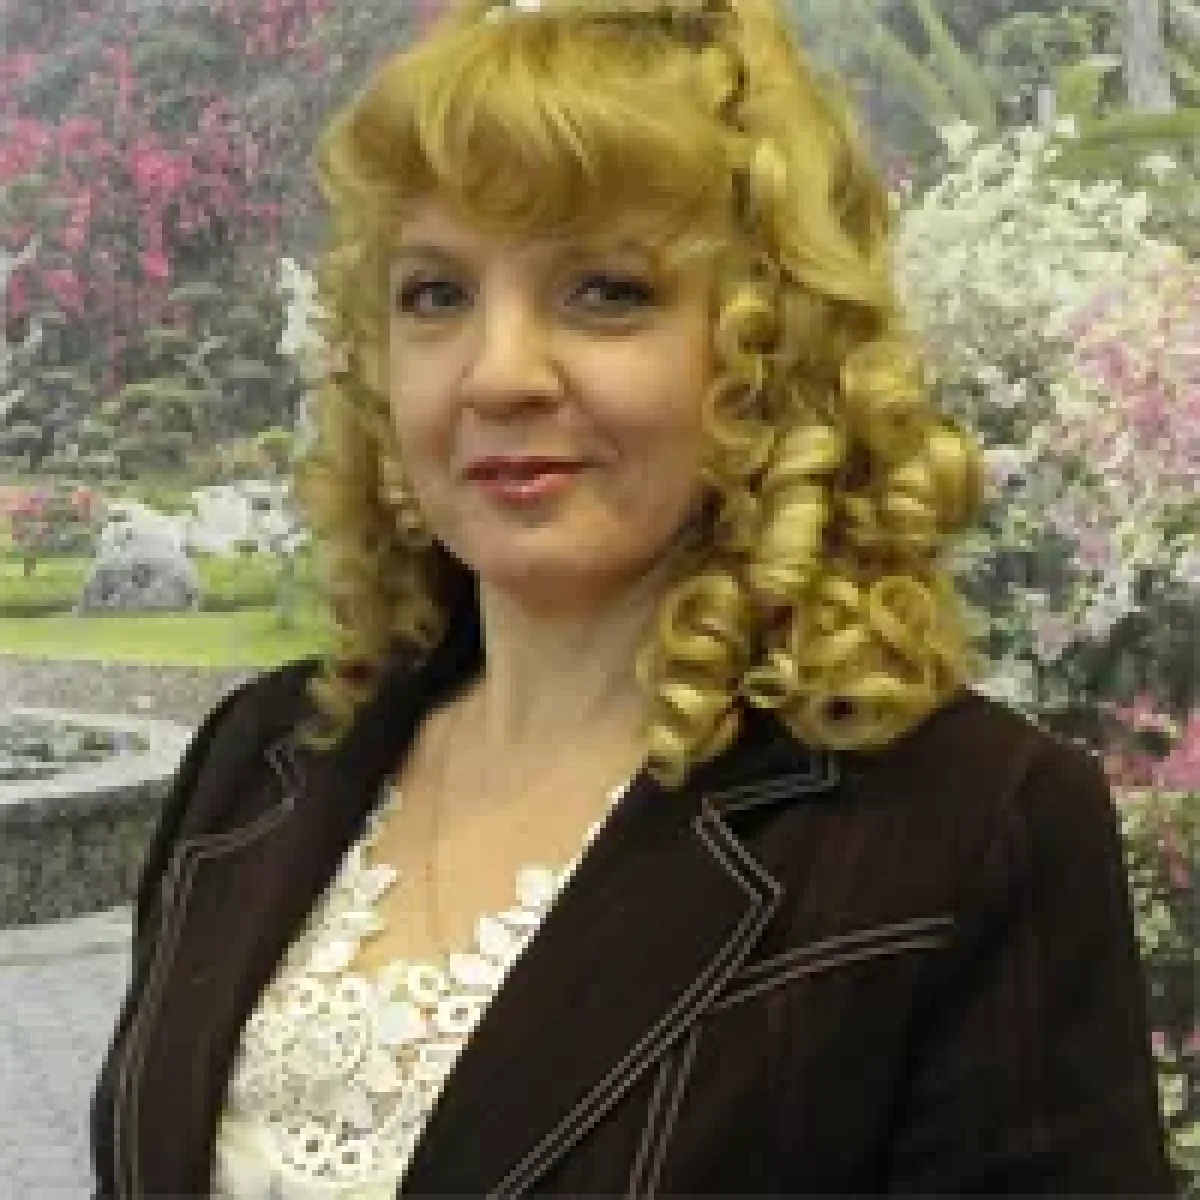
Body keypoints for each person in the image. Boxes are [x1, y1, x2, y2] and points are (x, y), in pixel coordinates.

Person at [90, 0, 1175, 1195]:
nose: (499, 374)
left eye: (604, 291)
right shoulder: (260, 760)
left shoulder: (964, 827)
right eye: (437, 295)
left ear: (772, 352)